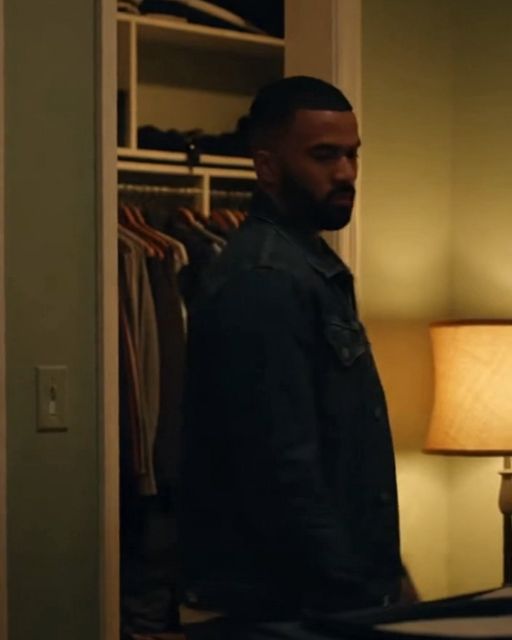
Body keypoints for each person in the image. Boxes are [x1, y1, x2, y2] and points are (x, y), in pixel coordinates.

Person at [178, 76, 413, 640]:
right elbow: (282, 467)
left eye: (353, 155)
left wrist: (390, 579)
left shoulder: (305, 266)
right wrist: (354, 596)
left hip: (325, 594)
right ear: (266, 166)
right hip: (289, 604)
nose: (346, 173)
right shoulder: (265, 279)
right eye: (325, 156)